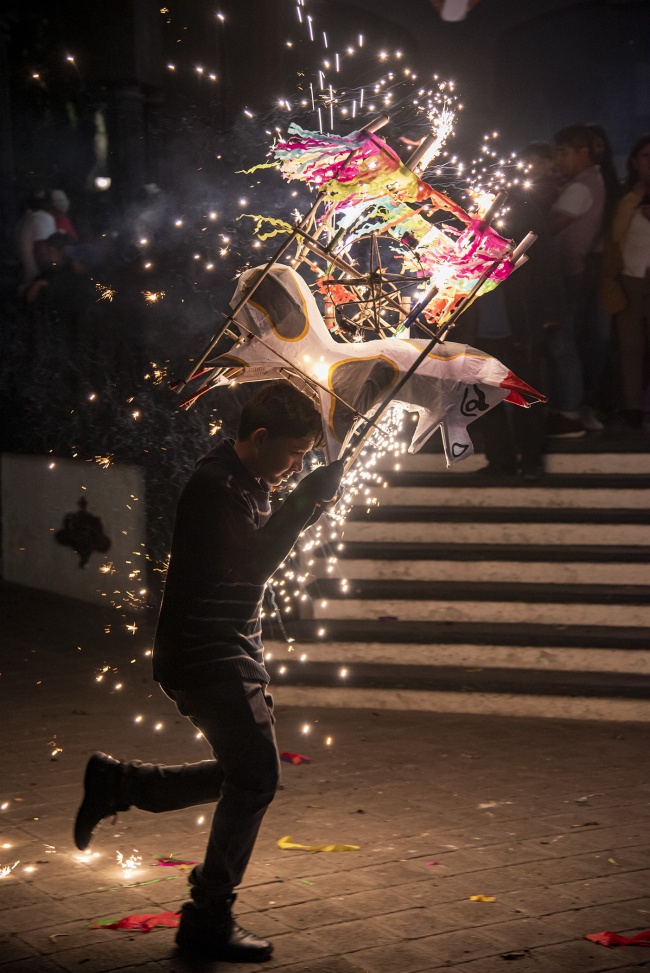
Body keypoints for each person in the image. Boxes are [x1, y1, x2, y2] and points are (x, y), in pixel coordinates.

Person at [73, 381, 344, 962]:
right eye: (293, 452)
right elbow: (250, 566)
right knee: (256, 779)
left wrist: (304, 500)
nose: (297, 464)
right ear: (261, 437)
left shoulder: (246, 481)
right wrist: (305, 503)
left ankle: (123, 784)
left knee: (244, 774)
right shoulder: (214, 486)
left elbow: (254, 561)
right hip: (205, 653)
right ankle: (207, 915)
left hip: (228, 649)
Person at [547, 124, 607, 436]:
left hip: (566, 274)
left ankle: (568, 410)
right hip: (574, 272)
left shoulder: (580, 187)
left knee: (561, 341)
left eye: (563, 152)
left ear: (583, 152)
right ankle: (569, 406)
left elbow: (551, 227)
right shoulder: (590, 182)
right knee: (567, 340)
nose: (558, 160)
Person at [602, 134, 650, 428]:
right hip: (629, 278)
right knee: (630, 348)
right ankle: (632, 408)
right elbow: (614, 235)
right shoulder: (624, 195)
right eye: (645, 157)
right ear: (634, 161)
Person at [15, 191, 56, 291]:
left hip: (24, 279)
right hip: (37, 282)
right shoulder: (43, 218)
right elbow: (42, 251)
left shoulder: (23, 220)